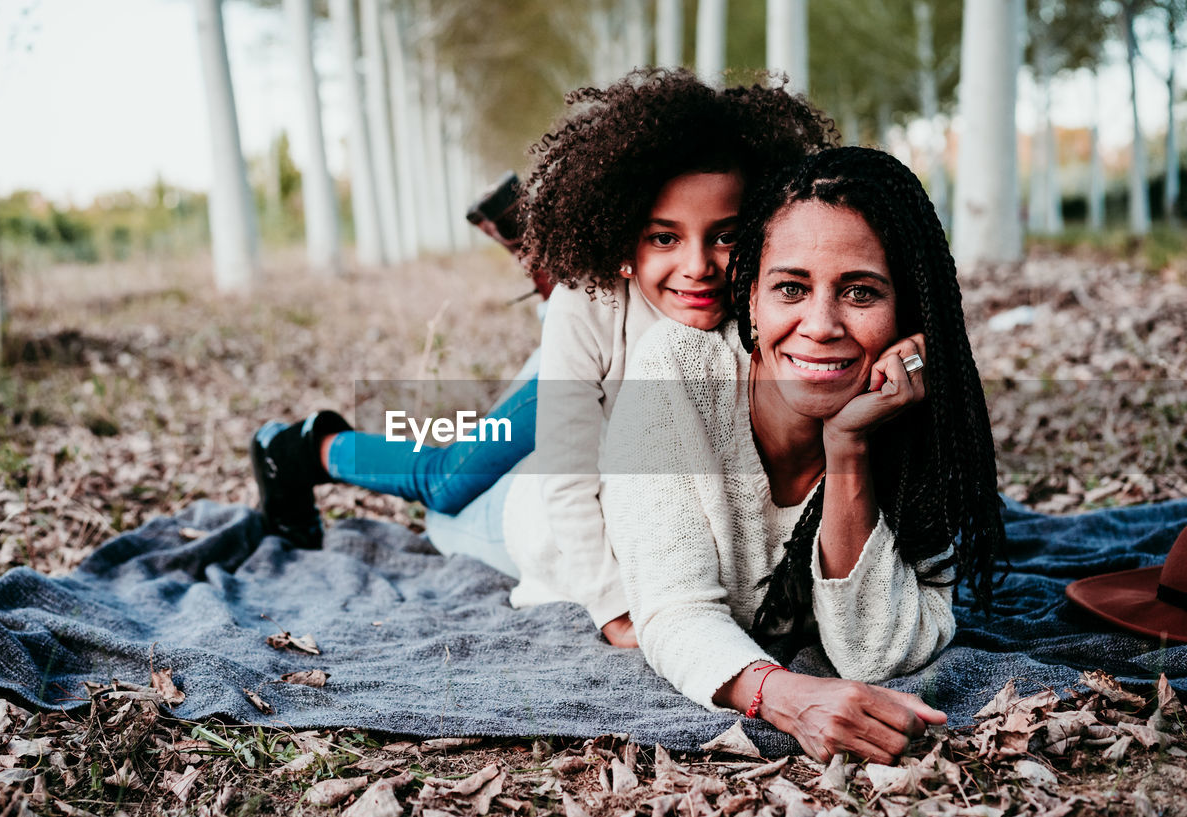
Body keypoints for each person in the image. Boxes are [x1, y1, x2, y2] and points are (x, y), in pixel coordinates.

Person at [250, 68, 835, 646]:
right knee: (448, 488)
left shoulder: (768, 302)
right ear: (624, 235)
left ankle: (540, 264)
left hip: (605, 378)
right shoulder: (597, 304)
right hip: (589, 365)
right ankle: (306, 447)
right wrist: (613, 605)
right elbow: (568, 475)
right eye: (664, 236)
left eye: (727, 236)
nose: (699, 264)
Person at [600, 147, 1005, 763]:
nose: (820, 324)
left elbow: (875, 653)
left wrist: (849, 446)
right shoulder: (674, 372)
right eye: (791, 287)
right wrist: (787, 697)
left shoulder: (916, 416)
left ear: (906, 310)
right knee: (451, 484)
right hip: (561, 531)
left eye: (860, 293)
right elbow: (673, 611)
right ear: (751, 302)